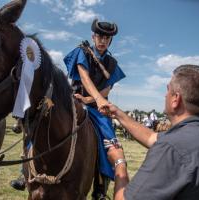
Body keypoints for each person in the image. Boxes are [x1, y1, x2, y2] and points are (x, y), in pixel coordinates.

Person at [100, 65, 199, 200]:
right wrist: (119, 114)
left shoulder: (171, 148)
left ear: (176, 99)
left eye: (168, 90)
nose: (165, 95)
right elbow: (151, 137)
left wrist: (119, 162)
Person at [63, 18, 126, 199]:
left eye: (107, 38)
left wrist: (90, 99)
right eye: (99, 36)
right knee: (47, 117)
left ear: (110, 40)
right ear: (93, 36)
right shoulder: (81, 52)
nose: (103, 41)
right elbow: (84, 78)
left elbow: (106, 90)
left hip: (98, 108)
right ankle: (25, 171)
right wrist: (84, 98)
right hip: (73, 100)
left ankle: (101, 184)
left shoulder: (112, 64)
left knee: (109, 137)